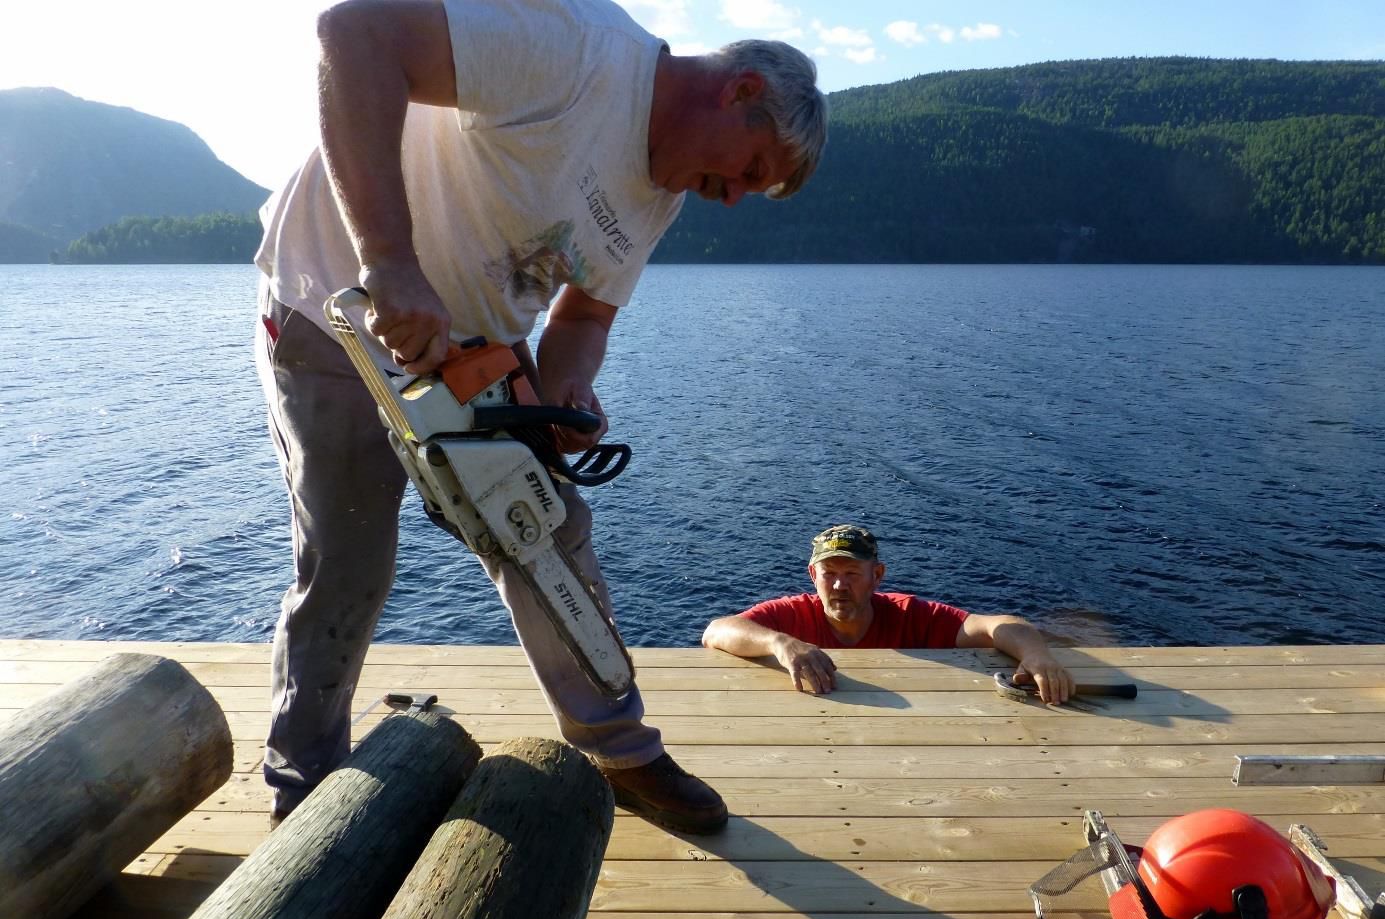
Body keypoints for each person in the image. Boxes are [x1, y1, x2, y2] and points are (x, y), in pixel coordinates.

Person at [252, 0, 828, 836]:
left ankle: (618, 748)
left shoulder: (663, 190)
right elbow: (354, 32)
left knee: (546, 524)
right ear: (737, 89)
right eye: (748, 168)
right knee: (347, 556)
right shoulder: (576, 47)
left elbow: (584, 318)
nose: (733, 198)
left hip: (468, 341)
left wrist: (568, 395)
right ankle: (302, 792)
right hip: (331, 303)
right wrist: (390, 263)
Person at [702, 524, 1076, 703]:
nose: (838, 587)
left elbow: (998, 625)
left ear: (876, 575)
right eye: (828, 575)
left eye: (851, 574)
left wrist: (1037, 655)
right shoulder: (791, 615)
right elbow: (716, 631)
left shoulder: (908, 614)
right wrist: (780, 643)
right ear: (812, 576)